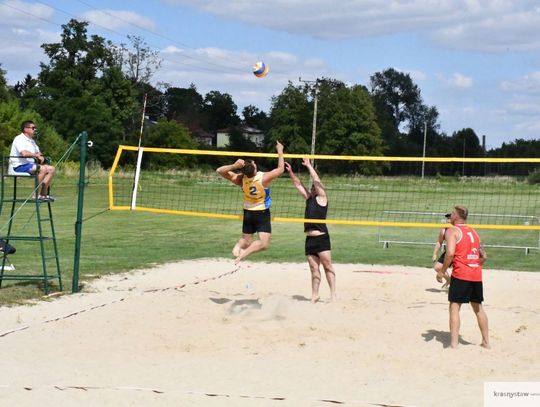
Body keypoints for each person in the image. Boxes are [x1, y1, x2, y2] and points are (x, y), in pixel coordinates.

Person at [216, 141, 284, 263]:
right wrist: (280, 150)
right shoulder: (264, 178)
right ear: (255, 167)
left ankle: (238, 246)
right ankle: (242, 255)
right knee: (264, 243)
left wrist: (234, 166)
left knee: (246, 241)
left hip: (248, 212)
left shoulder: (240, 179)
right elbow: (280, 169)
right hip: (261, 212)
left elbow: (219, 170)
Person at [437, 205, 489, 349]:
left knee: (454, 308)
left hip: (461, 274)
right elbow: (484, 255)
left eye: (452, 213)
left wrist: (442, 271)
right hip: (476, 274)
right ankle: (486, 343)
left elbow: (450, 253)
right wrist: (476, 265)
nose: (450, 215)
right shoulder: (473, 232)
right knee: (478, 308)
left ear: (456, 216)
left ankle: (454, 344)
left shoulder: (452, 231)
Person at [285, 158, 336, 303]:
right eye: (312, 187)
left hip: (321, 238)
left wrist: (308, 165)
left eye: (315, 187)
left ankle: (333, 295)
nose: (313, 188)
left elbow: (316, 179)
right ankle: (315, 295)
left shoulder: (322, 199)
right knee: (314, 269)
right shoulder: (309, 198)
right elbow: (298, 184)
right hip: (309, 240)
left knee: (327, 267)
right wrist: (291, 172)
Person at [9, 120, 56, 201]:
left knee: (52, 169)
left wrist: (41, 157)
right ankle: (35, 195)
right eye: (33, 128)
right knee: (42, 168)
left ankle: (43, 194)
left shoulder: (32, 141)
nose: (35, 129)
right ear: (26, 129)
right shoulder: (19, 139)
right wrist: (36, 155)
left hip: (30, 165)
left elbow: (38, 152)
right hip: (18, 166)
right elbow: (24, 153)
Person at [432, 213, 451, 288]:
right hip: (449, 252)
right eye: (448, 218)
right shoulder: (444, 230)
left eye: (450, 218)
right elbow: (439, 242)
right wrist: (435, 254)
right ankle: (449, 280)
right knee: (437, 267)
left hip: (460, 252)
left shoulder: (458, 229)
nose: (448, 220)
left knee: (460, 271)